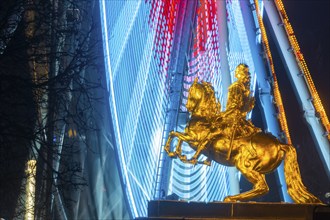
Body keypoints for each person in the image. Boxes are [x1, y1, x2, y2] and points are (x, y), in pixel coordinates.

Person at [189, 64, 261, 164]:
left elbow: (234, 105)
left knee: (212, 132)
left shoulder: (236, 87)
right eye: (246, 74)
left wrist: (224, 115)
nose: (247, 76)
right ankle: (209, 157)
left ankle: (196, 157)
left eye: (246, 74)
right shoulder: (246, 90)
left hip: (233, 117)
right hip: (241, 118)